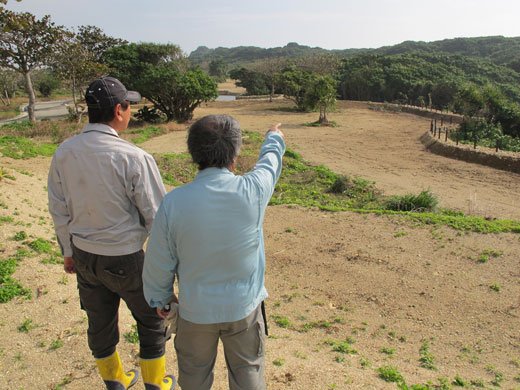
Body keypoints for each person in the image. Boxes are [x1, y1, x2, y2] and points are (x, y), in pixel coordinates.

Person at [47, 77, 175, 390]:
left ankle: (115, 382)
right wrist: (165, 269)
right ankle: (155, 384)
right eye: (129, 106)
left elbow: (58, 208)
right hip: (126, 258)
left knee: (100, 322)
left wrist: (67, 251)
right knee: (151, 321)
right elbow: (156, 218)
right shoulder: (134, 157)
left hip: (84, 255)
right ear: (119, 110)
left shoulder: (64, 152)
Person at [143, 114, 285, 390]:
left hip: (194, 312)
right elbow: (270, 165)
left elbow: (159, 259)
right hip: (243, 309)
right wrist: (274, 137)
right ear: (234, 154)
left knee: (194, 378)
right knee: (249, 374)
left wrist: (162, 299)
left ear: (194, 153)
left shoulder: (174, 202)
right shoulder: (252, 190)